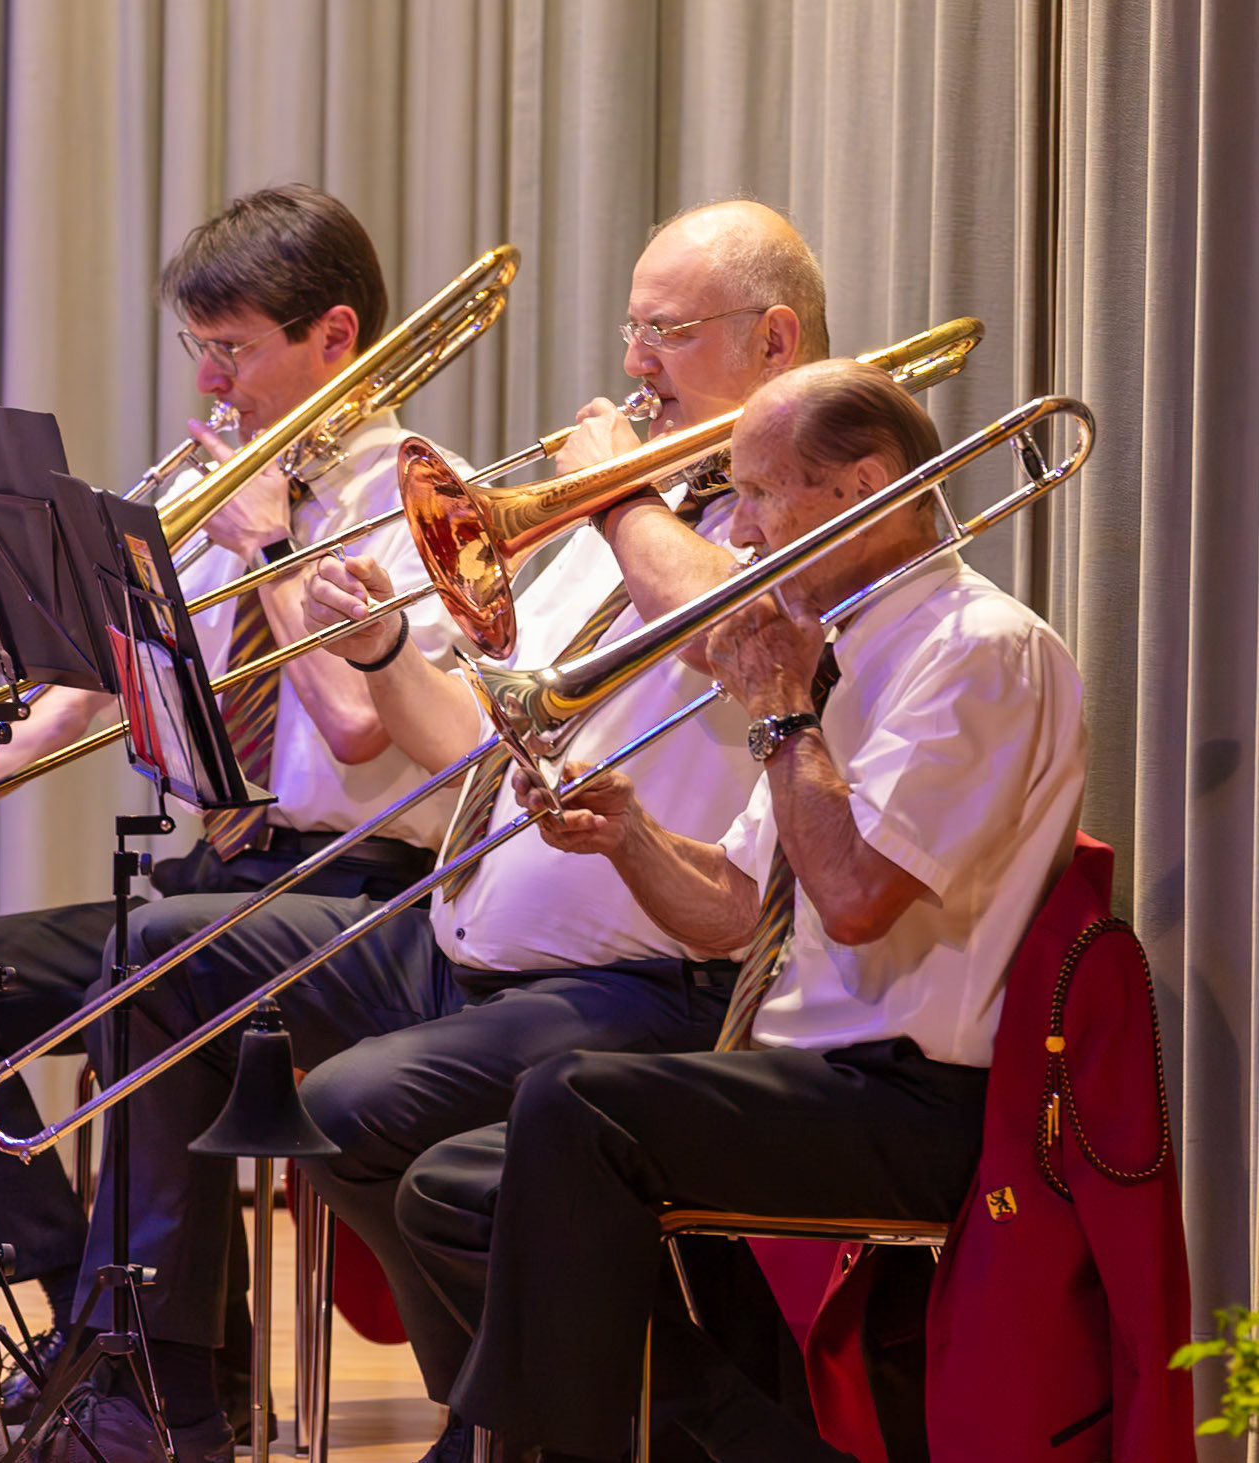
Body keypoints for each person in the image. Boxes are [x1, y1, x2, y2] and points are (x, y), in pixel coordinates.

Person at [0, 200, 832, 1463]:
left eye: (663, 333)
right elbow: (459, 729)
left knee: (356, 1112)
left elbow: (732, 635)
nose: (631, 364)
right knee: (152, 973)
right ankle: (154, 1383)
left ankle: (557, 1420)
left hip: (635, 964)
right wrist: (384, 643)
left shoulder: (799, 511)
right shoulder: (613, 519)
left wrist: (602, 500)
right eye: (631, 328)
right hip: (466, 924)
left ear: (772, 340)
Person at [0, 184, 473, 1445]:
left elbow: (355, 723)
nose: (211, 380)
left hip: (359, 894)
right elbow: (74, 692)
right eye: (199, 349)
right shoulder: (230, 490)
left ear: (334, 337)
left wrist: (279, 541)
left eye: (233, 349)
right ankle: (80, 1328)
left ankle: (158, 1392)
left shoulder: (413, 501)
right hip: (226, 877)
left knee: (156, 959)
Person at [401, 358, 1089, 1462]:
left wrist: (777, 708)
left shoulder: (978, 650)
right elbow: (732, 911)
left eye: (761, 493)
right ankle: (738, 1441)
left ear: (863, 483)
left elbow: (857, 900)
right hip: (807, 1072)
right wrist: (625, 830)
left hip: (915, 1096)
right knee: (448, 1186)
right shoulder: (848, 651)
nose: (744, 531)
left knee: (572, 1103)